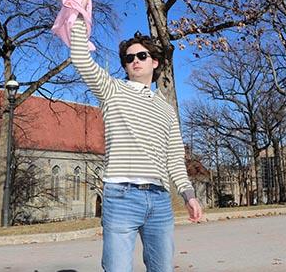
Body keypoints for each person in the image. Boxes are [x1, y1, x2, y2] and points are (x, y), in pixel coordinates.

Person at [69, 16, 203, 272]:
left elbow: (174, 158)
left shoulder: (166, 110)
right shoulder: (112, 90)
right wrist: (78, 14)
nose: (135, 61)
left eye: (141, 56)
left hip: (159, 199)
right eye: (129, 59)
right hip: (121, 195)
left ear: (154, 62)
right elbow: (81, 58)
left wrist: (189, 196)